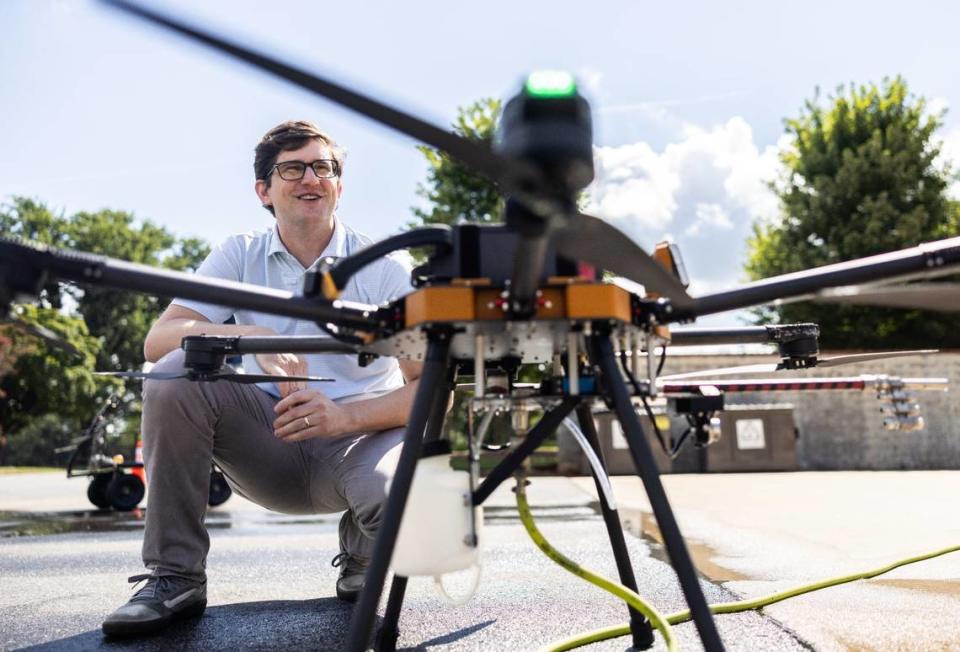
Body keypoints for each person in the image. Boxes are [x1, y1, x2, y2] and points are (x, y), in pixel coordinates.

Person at [102, 121, 419, 636]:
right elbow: (159, 341)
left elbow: (433, 389)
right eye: (291, 168)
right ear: (264, 191)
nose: (310, 178)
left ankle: (365, 551)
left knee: (398, 501)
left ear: (340, 183)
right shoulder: (239, 253)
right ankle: (175, 576)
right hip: (267, 442)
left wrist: (343, 417)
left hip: (359, 441)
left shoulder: (387, 266)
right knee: (173, 373)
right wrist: (252, 335)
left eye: (323, 167)